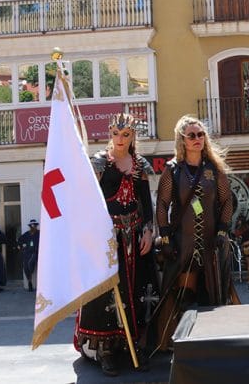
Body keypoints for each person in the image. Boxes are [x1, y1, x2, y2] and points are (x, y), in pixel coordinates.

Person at [75, 113, 159, 376]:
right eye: (115, 133)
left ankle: (133, 344)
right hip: (106, 237)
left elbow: (146, 202)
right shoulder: (99, 163)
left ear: (132, 136)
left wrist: (148, 231)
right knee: (106, 292)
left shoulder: (140, 165)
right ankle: (106, 350)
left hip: (134, 236)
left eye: (125, 134)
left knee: (134, 289)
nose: (120, 139)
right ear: (110, 133)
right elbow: (87, 202)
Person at [154, 115, 238, 350]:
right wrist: (165, 236)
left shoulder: (213, 169)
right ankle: (176, 341)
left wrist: (223, 229)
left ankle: (212, 342)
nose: (197, 139)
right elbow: (162, 204)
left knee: (213, 293)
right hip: (182, 244)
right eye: (191, 135)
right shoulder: (173, 170)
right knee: (181, 294)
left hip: (210, 244)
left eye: (201, 134)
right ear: (182, 139)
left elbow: (227, 201)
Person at [232, 214, 249, 284]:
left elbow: (235, 233)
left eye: (238, 220)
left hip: (247, 246)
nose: (237, 221)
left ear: (241, 220)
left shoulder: (242, 227)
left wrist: (236, 226)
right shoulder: (247, 226)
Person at [18, 219, 40, 292]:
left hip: (38, 253)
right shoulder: (26, 234)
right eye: (31, 225)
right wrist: (22, 247)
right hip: (28, 253)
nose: (33, 227)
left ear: (36, 226)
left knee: (41, 269)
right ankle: (29, 282)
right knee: (27, 266)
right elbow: (19, 240)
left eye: (34, 225)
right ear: (30, 226)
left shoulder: (40, 233)